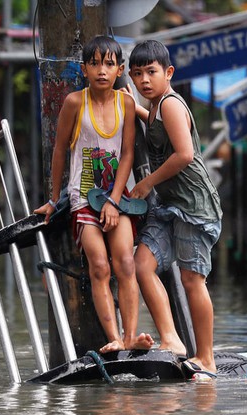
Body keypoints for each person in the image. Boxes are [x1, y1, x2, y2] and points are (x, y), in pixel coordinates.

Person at [34, 35, 153, 354]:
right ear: (84, 69)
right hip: (84, 199)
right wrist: (53, 196)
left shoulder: (125, 102)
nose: (102, 70)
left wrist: (114, 201)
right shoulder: (75, 102)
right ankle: (114, 337)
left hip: (119, 198)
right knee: (99, 266)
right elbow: (59, 151)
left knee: (125, 264)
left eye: (109, 64)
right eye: (95, 63)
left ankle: (131, 338)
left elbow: (127, 153)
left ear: (120, 70)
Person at [126, 40, 223, 379]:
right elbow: (152, 125)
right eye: (137, 74)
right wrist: (129, 105)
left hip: (193, 205)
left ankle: (207, 357)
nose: (144, 81)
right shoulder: (153, 108)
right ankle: (172, 340)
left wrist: (146, 182)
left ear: (168, 73)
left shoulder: (169, 104)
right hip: (169, 206)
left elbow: (183, 154)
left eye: (151, 72)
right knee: (142, 264)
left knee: (192, 279)